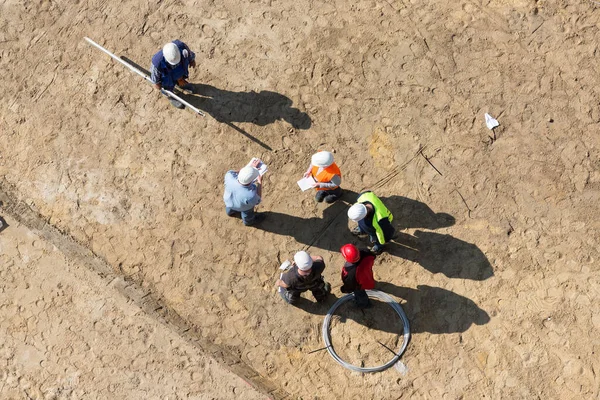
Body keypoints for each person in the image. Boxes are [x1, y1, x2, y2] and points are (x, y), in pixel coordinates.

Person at [150, 40, 197, 109]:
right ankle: (171, 96)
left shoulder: (182, 46)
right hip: (167, 77)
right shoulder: (157, 62)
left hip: (180, 69)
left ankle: (181, 83)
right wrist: (156, 83)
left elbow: (189, 53)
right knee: (167, 87)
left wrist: (191, 60)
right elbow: (155, 76)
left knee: (181, 76)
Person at [223, 160, 265, 226]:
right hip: (243, 207)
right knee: (247, 215)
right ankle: (248, 222)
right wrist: (259, 182)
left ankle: (230, 212)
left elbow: (232, 172)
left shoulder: (229, 177)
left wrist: (248, 168)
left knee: (229, 208)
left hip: (229, 202)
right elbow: (258, 200)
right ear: (252, 181)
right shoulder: (250, 195)